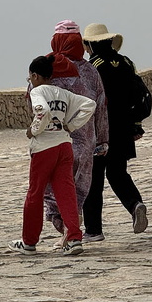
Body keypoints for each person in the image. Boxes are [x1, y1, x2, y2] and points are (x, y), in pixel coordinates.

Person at [10, 55, 96, 257]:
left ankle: (29, 241)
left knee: (35, 193)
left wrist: (34, 130)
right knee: (66, 193)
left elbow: (42, 110)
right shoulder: (63, 93)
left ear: (34, 75)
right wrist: (71, 125)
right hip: (64, 144)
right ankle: (74, 238)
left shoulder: (37, 91)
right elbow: (89, 105)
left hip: (44, 147)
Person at [42, 21, 109, 244]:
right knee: (77, 192)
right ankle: (72, 233)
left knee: (54, 192)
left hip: (55, 142)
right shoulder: (91, 71)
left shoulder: (48, 68)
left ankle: (68, 234)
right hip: (86, 142)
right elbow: (100, 106)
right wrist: (103, 140)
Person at [81, 23, 149, 239]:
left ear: (90, 44)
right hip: (124, 128)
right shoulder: (126, 63)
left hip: (102, 130)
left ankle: (93, 230)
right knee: (118, 173)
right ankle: (135, 204)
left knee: (94, 180)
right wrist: (136, 124)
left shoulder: (93, 66)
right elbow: (138, 94)